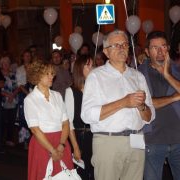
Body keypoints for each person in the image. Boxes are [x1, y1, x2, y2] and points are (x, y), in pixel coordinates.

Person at [81, 30, 155, 180]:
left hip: (136, 140)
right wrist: (123, 102)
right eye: (116, 45)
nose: (122, 48)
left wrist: (141, 106)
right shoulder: (96, 76)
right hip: (108, 142)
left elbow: (150, 116)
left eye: (125, 44)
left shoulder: (137, 76)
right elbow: (87, 115)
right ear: (106, 52)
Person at [138, 31, 180, 180]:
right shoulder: (139, 73)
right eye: (155, 48)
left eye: (163, 46)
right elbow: (145, 103)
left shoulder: (177, 69)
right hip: (153, 139)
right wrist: (174, 97)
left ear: (168, 48)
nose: (160, 51)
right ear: (147, 52)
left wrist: (167, 75)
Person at [24, 60, 73, 180]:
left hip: (61, 141)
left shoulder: (57, 95)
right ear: (37, 76)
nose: (52, 76)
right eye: (47, 74)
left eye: (52, 73)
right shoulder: (30, 99)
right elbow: (35, 130)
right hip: (42, 144)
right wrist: (52, 150)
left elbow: (65, 123)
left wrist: (61, 145)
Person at [65, 55, 94, 180]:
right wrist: (75, 147)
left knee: (94, 173)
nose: (92, 69)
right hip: (79, 137)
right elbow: (69, 122)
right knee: (80, 174)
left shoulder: (95, 90)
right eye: (89, 66)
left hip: (95, 136)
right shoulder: (71, 91)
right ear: (80, 68)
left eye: (92, 66)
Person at [0, 55, 18, 147]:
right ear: (1, 65)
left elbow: (18, 86)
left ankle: (9, 139)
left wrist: (13, 95)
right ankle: (1, 139)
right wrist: (7, 95)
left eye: (8, 63)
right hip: (3, 101)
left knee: (11, 121)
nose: (6, 65)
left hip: (13, 100)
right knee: (3, 121)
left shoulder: (13, 74)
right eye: (4, 63)